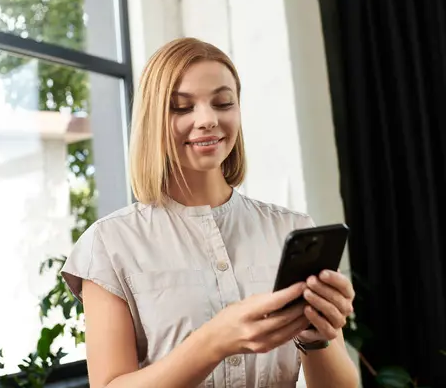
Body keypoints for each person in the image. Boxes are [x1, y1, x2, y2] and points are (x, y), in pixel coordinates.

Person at [61, 37, 358, 388]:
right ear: (153, 118)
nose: (208, 120)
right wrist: (214, 340)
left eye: (223, 103)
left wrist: (315, 335)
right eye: (182, 107)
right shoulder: (109, 244)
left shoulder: (290, 228)